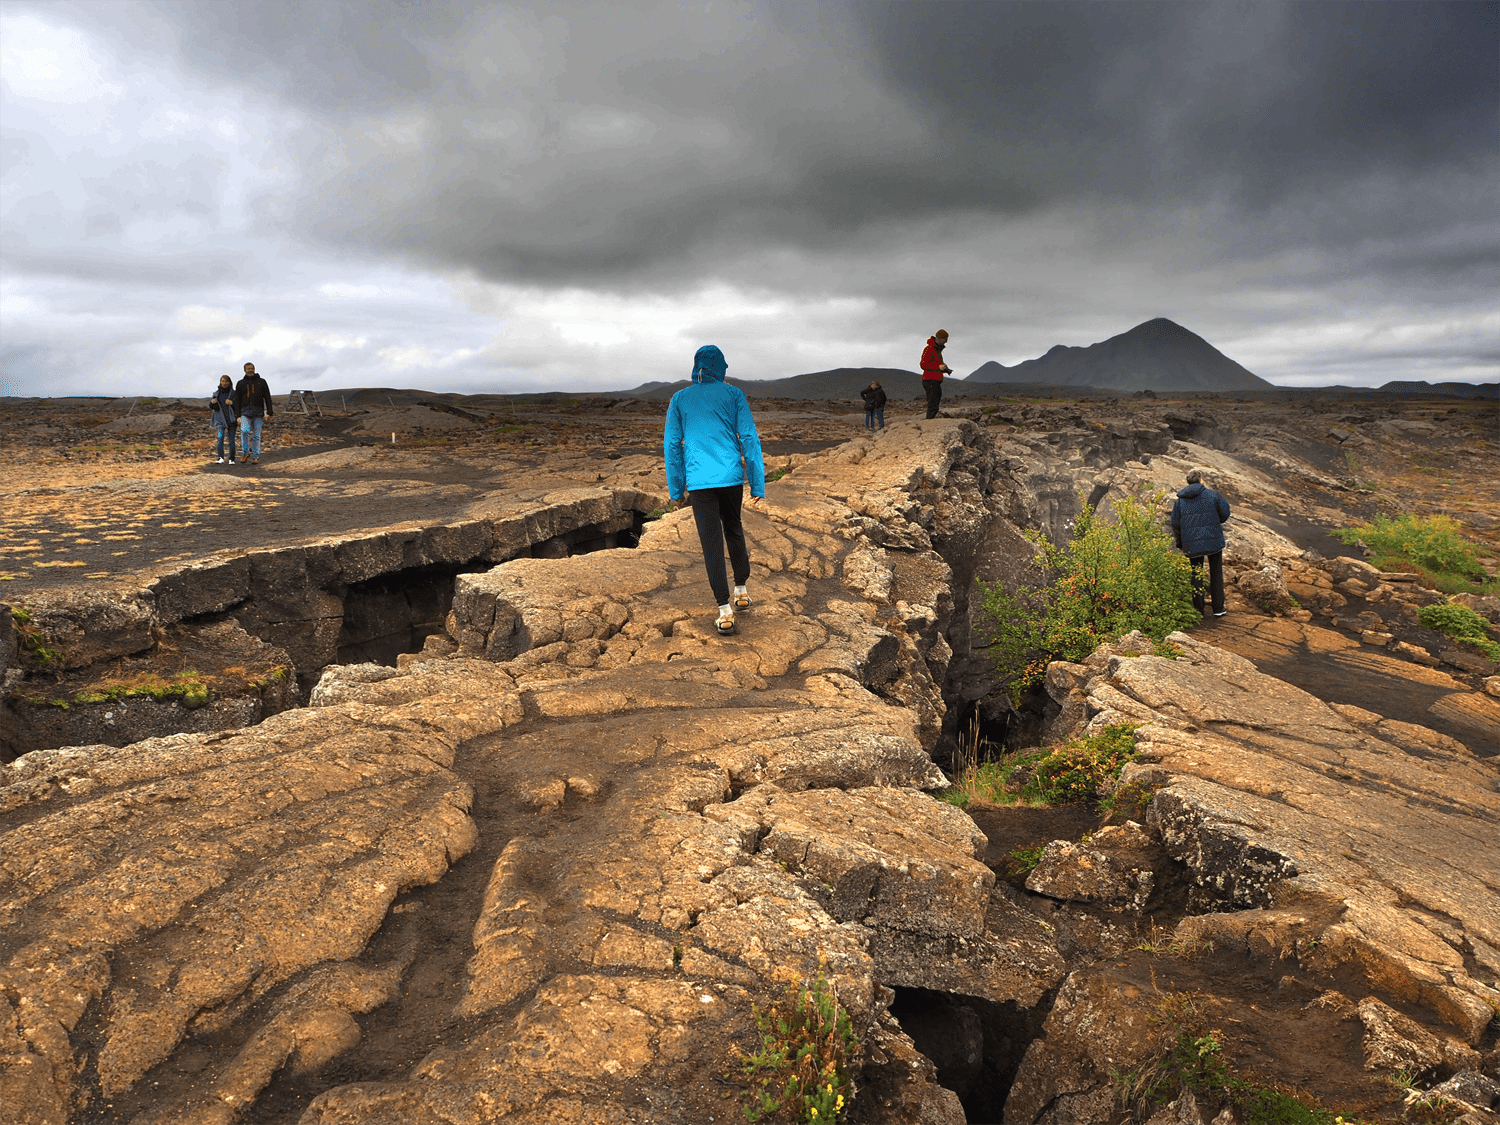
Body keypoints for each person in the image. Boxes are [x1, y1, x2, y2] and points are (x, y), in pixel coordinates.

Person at [664, 344, 767, 637]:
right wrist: (757, 483)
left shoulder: (679, 398)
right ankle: (742, 590)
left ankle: (724, 612)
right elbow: (748, 437)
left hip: (699, 482)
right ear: (720, 367)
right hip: (731, 477)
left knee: (711, 543)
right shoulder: (734, 394)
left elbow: (672, 445)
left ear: (696, 366)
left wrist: (676, 490)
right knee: (734, 529)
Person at [1171, 469, 1232, 617]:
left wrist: (1181, 543)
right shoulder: (1213, 495)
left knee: (1196, 575)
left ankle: (1198, 610)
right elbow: (1225, 512)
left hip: (1192, 544)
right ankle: (1218, 608)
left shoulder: (1180, 501)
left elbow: (1176, 524)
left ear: (1187, 481)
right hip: (1213, 540)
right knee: (1216, 573)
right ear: (1201, 480)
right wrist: (1215, 522)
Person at [234, 362, 274, 465]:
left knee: (257, 435)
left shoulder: (262, 382)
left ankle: (255, 456)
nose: (250, 370)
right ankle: (245, 453)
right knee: (244, 431)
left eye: (252, 368)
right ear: (245, 370)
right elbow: (237, 400)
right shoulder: (240, 383)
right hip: (245, 413)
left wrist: (269, 412)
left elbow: (267, 397)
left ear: (254, 369)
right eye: (248, 369)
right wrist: (237, 415)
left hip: (258, 413)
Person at [920, 329, 952, 419]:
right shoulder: (929, 349)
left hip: (935, 381)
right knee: (933, 404)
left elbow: (933, 364)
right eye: (945, 339)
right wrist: (938, 367)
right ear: (940, 338)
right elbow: (923, 364)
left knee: (935, 403)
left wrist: (944, 369)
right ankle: (928, 423)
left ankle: (930, 421)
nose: (946, 342)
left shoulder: (937, 350)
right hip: (930, 380)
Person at [210, 375, 238, 464]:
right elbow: (212, 407)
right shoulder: (216, 393)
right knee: (220, 437)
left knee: (231, 440)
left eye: (226, 381)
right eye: (222, 381)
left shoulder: (233, 393)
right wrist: (212, 403)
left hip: (231, 419)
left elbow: (238, 405)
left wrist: (232, 403)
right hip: (220, 419)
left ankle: (231, 459)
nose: (224, 383)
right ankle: (220, 457)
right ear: (220, 382)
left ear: (229, 382)